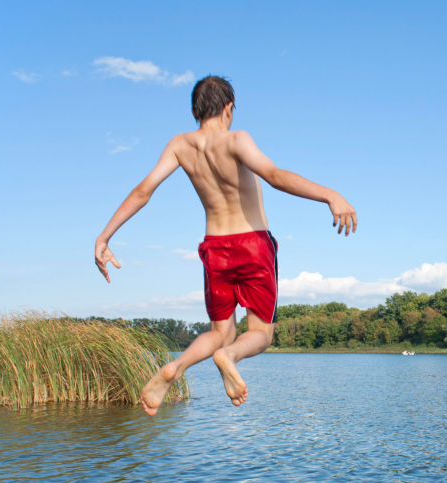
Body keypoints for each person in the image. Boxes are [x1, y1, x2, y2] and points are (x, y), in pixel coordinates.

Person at [94, 75, 357, 416]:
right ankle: (229, 357)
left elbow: (144, 191)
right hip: (253, 244)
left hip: (214, 248)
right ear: (229, 108)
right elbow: (273, 175)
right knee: (261, 333)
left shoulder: (180, 145)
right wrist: (330, 195)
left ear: (195, 110)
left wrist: (105, 236)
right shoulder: (236, 139)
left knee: (220, 332)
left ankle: (177, 367)